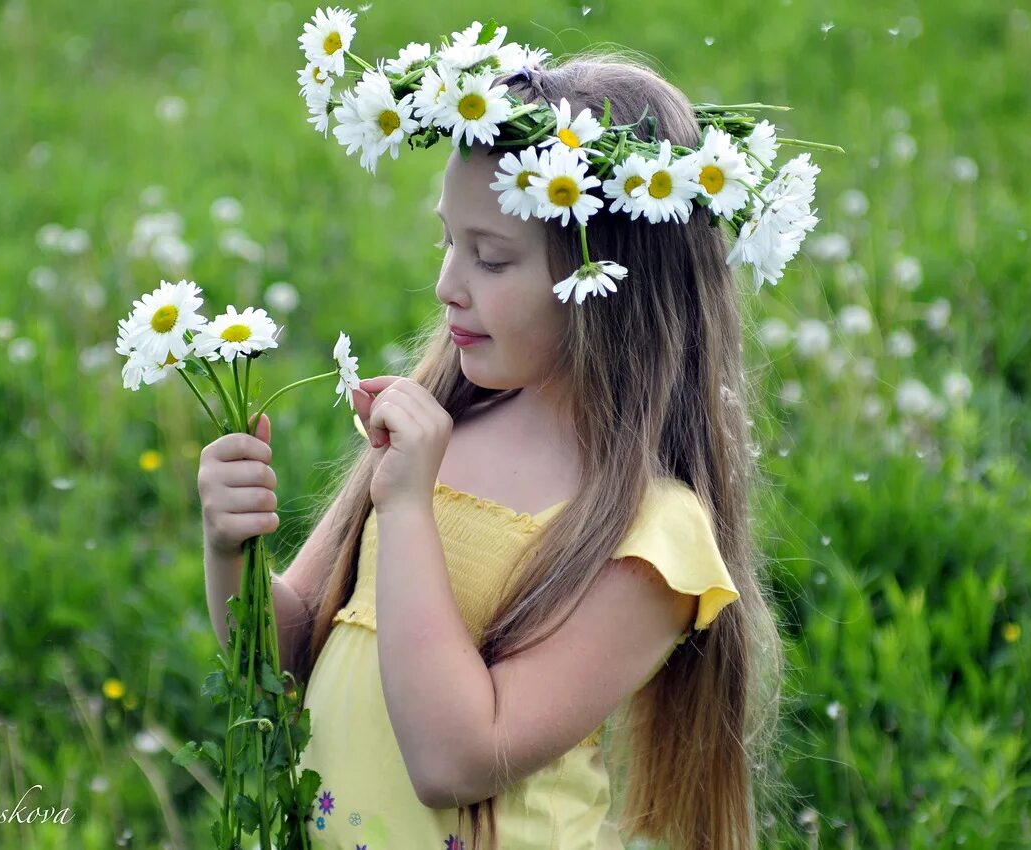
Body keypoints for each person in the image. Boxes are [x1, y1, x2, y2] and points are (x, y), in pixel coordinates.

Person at [201, 54, 785, 850]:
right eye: (449, 241)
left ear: (610, 282)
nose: (447, 285)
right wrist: (232, 549)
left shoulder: (652, 538)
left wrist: (406, 508)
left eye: (493, 256)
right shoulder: (447, 424)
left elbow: (456, 761)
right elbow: (287, 653)